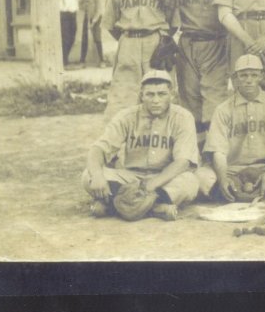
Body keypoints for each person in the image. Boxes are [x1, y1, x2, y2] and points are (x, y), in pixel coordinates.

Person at [81, 70, 200, 220]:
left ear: (172, 95)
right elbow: (98, 149)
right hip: (131, 177)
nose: (155, 100)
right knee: (88, 176)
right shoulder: (126, 116)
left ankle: (113, 206)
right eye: (150, 94)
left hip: (164, 177)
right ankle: (156, 209)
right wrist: (98, 176)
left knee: (190, 182)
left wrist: (151, 185)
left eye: (162, 94)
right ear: (141, 95)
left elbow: (182, 162)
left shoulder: (183, 117)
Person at [196, 54, 265, 201]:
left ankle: (250, 190)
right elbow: (218, 152)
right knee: (203, 178)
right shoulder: (223, 109)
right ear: (235, 78)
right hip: (233, 169)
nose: (249, 80)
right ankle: (257, 190)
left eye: (254, 75)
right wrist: (223, 179)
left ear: (261, 76)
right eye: (243, 75)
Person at [102, 0, 175, 121]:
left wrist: (159, 39)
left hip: (156, 46)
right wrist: (129, 40)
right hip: (128, 45)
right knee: (121, 101)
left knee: (159, 99)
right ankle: (117, 148)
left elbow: (174, 22)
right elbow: (110, 24)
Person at [169, 0, 229, 148]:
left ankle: (215, 152)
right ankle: (195, 152)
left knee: (214, 100)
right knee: (191, 99)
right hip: (189, 45)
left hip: (216, 44)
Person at [79, 0, 107, 68]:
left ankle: (102, 60)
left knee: (97, 39)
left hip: (96, 19)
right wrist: (84, 5)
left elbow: (99, 10)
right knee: (84, 39)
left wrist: (93, 22)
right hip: (86, 18)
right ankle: (82, 61)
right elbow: (80, 4)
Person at [58, 0, 79, 67]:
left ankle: (65, 58)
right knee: (65, 38)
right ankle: (64, 60)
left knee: (72, 38)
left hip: (73, 16)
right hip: (64, 16)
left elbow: (76, 4)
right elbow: (60, 6)